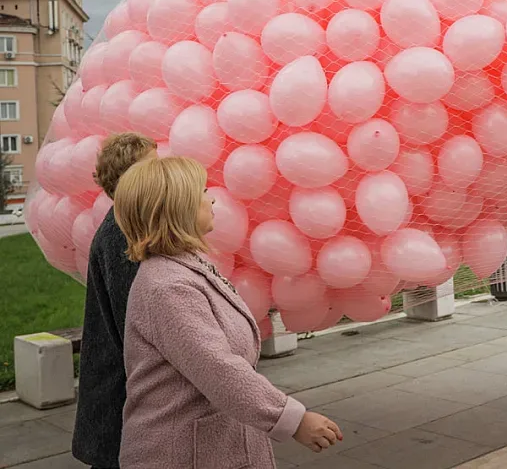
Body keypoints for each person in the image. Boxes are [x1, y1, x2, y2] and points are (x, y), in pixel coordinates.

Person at [114, 155, 343, 468]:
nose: (211, 199)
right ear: (177, 207)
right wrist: (293, 419)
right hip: (182, 455)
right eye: (202, 192)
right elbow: (218, 369)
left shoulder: (185, 267)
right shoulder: (168, 286)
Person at [73, 132, 157, 469]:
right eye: (152, 167)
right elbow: (134, 324)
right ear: (129, 178)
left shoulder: (129, 226)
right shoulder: (120, 236)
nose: (161, 175)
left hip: (123, 392)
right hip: (119, 394)